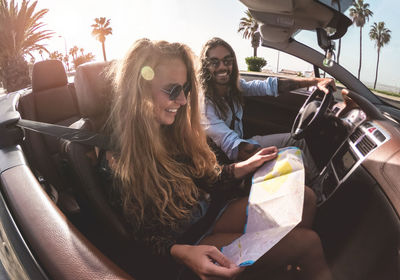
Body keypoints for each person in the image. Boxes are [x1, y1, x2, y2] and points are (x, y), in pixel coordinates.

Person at [102, 38, 332, 280]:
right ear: (140, 90)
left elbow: (206, 178)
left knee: (306, 197)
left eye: (186, 88)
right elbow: (136, 240)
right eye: (172, 90)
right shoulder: (117, 159)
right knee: (309, 243)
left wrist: (242, 167)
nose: (182, 101)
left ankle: (278, 263)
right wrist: (181, 252)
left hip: (213, 212)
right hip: (191, 241)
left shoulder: (175, 130)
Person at [199, 37, 336, 184]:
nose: (222, 67)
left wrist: (315, 82)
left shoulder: (234, 87)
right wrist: (281, 159)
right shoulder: (203, 104)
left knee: (298, 141)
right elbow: (232, 144)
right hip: (226, 163)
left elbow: (269, 86)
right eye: (214, 62)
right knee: (291, 160)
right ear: (205, 66)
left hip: (244, 142)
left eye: (227, 60)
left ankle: (317, 185)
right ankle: (314, 191)